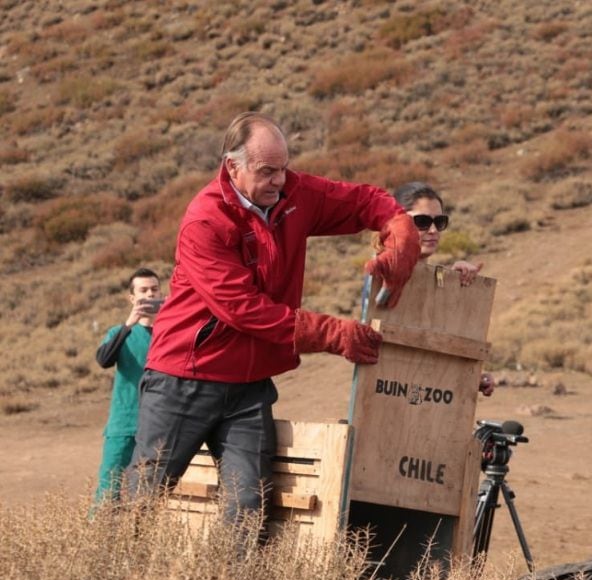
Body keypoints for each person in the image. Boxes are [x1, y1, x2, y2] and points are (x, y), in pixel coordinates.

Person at [125, 112, 419, 538]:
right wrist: (334, 334)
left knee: (249, 505)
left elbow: (362, 201)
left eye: (284, 167)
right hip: (182, 381)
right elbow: (242, 308)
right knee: (142, 495)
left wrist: (400, 231)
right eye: (267, 171)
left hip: (248, 386)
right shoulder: (205, 220)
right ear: (232, 167)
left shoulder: (294, 194)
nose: (281, 180)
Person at [391, 181, 495, 397]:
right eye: (421, 221)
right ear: (395, 222)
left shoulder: (436, 280)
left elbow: (429, 349)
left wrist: (469, 375)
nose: (432, 230)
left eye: (439, 222)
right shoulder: (382, 274)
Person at [93, 267, 162, 505]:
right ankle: (101, 536)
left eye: (154, 289)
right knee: (109, 489)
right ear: (132, 298)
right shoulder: (119, 333)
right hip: (123, 425)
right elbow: (103, 360)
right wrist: (129, 325)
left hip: (158, 428)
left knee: (147, 493)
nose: (150, 295)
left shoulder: (169, 333)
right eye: (143, 290)